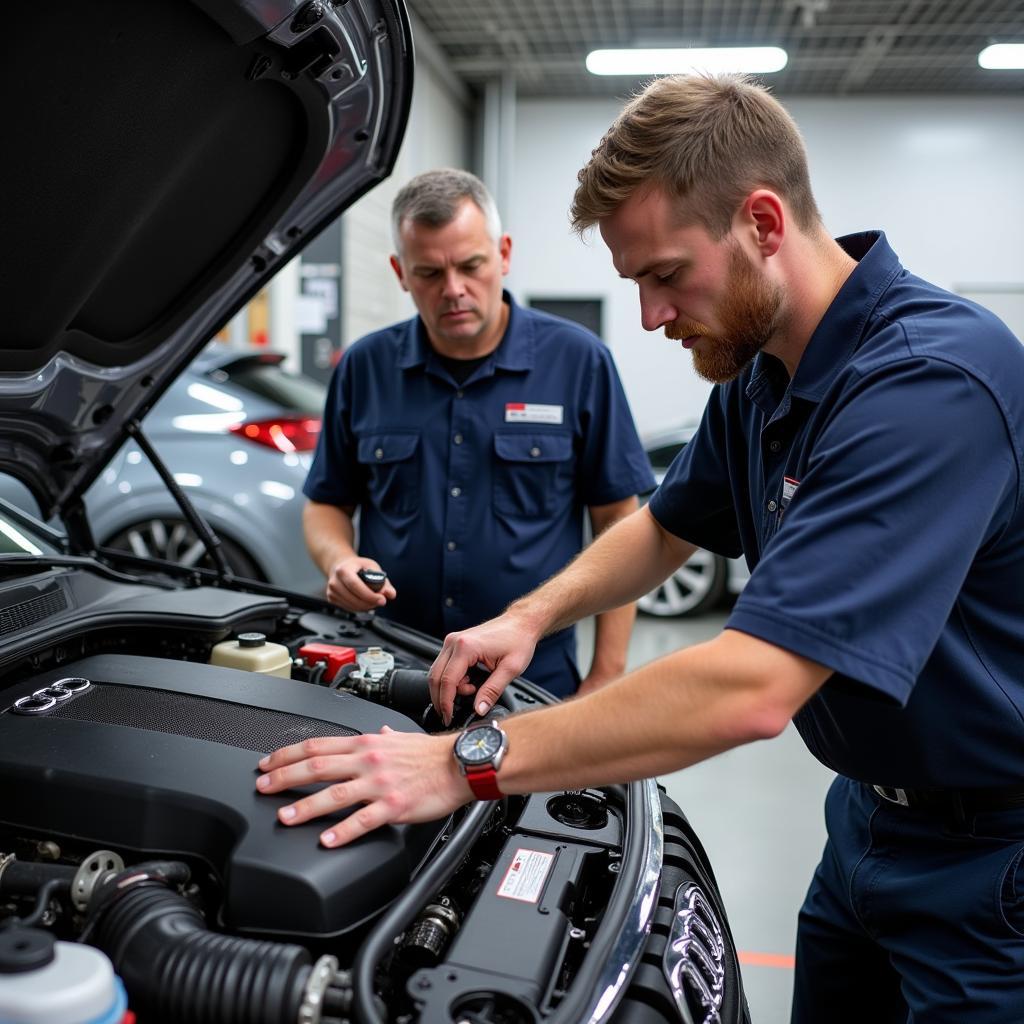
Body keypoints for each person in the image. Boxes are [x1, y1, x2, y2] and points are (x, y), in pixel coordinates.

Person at [258, 75, 1024, 1022]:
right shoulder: (762, 376)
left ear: (763, 221)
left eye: (665, 274)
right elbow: (663, 527)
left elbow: (753, 688)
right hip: (866, 822)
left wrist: (462, 762)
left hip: (992, 868)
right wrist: (530, 616)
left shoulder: (929, 386)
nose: (654, 316)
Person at [301, 169, 654, 698]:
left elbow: (618, 524)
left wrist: (606, 675)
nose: (454, 290)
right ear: (400, 271)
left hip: (533, 680)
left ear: (504, 254)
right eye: (429, 273)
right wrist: (339, 559)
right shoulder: (364, 367)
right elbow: (325, 503)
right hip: (394, 670)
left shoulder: (579, 363)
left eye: (471, 266)